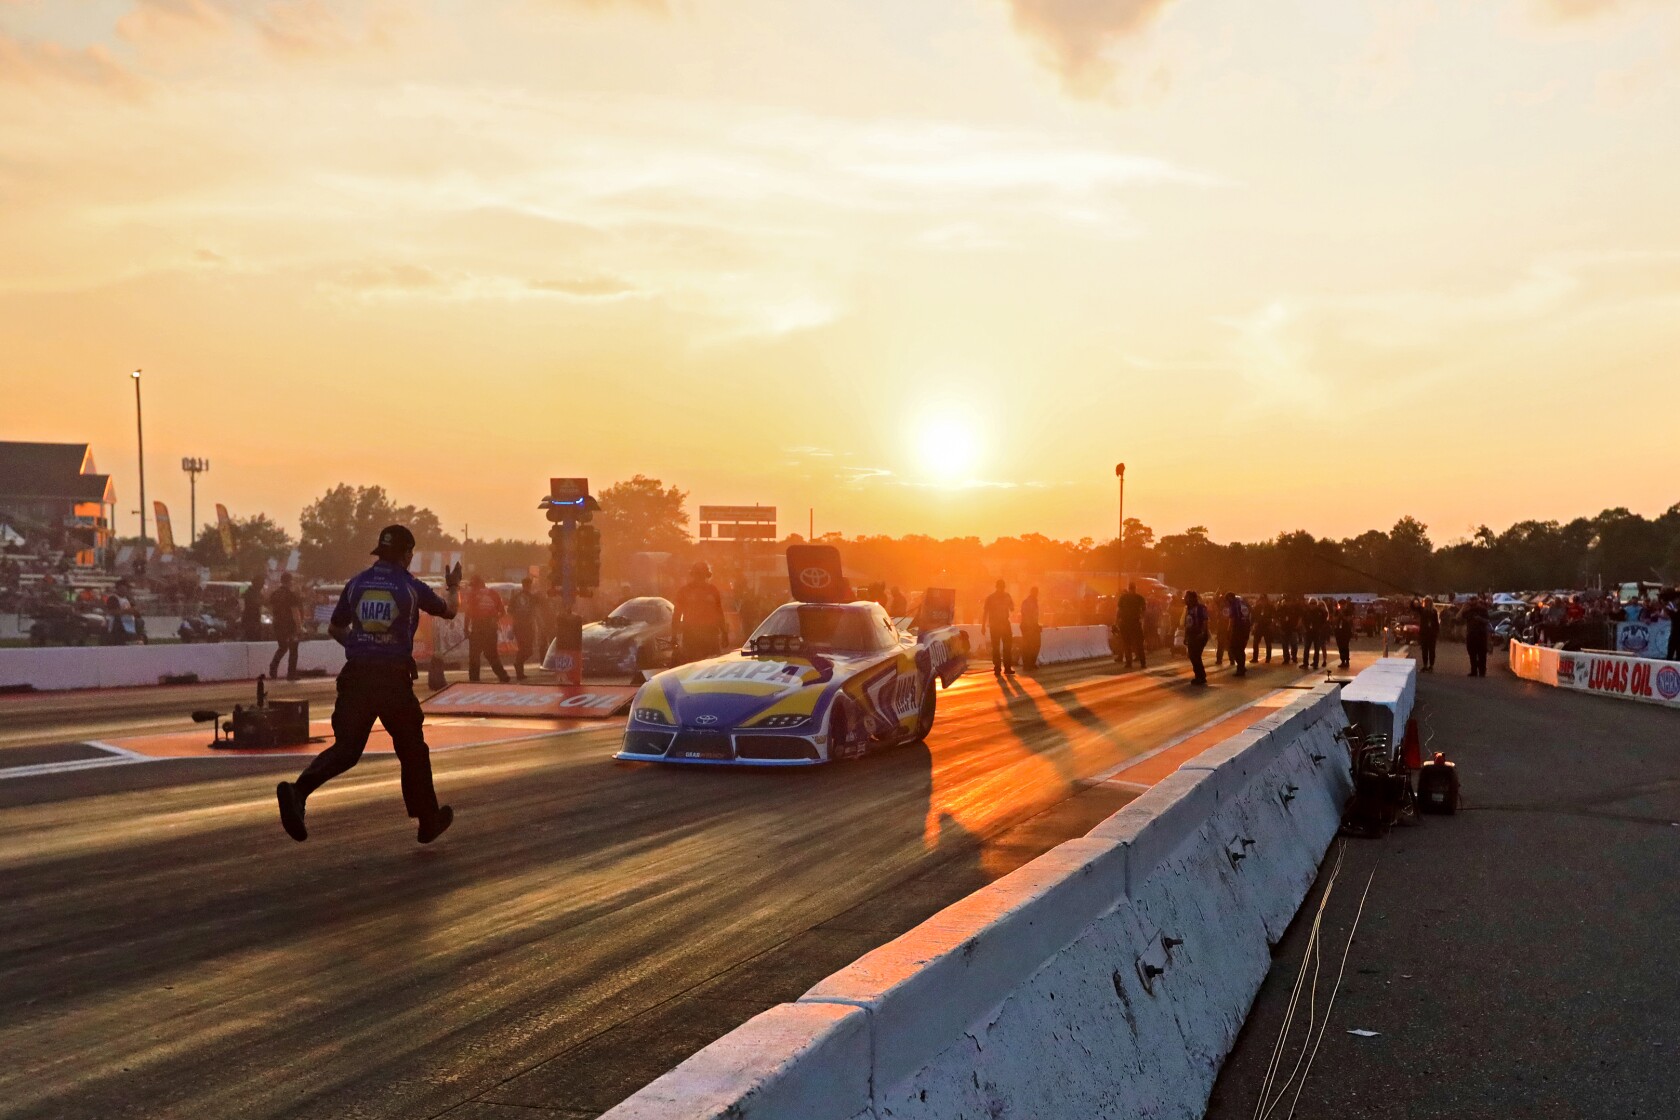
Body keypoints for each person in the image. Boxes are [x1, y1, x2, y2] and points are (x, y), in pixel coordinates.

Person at [276, 525, 460, 845]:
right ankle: (427, 820)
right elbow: (450, 610)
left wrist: (361, 647)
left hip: (356, 676)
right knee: (412, 749)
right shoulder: (410, 586)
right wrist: (453, 586)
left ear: (379, 552)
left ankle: (298, 791)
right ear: (405, 555)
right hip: (392, 681)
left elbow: (335, 627)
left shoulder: (356, 584)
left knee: (346, 750)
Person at [673, 561, 728, 663]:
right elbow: (677, 615)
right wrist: (674, 636)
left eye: (701, 575)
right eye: (698, 575)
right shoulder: (684, 591)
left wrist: (724, 633)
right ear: (694, 575)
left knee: (711, 667)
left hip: (710, 636)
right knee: (693, 668)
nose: (700, 578)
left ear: (706, 576)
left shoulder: (713, 590)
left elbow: (719, 613)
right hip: (692, 638)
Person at [464, 575, 511, 683]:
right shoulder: (494, 594)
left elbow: (468, 614)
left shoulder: (473, 595)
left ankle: (474, 679)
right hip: (491, 629)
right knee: (492, 654)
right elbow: (502, 612)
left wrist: (466, 630)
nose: (472, 588)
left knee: (474, 656)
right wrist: (494, 619)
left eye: (473, 586)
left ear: (477, 585)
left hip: (478, 629)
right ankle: (503, 676)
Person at [268, 572, 303, 680]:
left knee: (282, 647)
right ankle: (291, 674)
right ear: (290, 581)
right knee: (293, 649)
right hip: (290, 626)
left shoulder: (275, 594)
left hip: (277, 624)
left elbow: (270, 609)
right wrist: (299, 627)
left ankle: (273, 667)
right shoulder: (291, 595)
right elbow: (295, 612)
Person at [508, 576, 540, 682]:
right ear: (528, 585)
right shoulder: (531, 597)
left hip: (519, 625)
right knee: (527, 649)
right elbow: (536, 610)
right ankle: (519, 668)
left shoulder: (516, 597)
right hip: (526, 626)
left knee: (525, 649)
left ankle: (519, 667)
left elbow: (510, 611)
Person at [982, 579, 1015, 675]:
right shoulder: (991, 598)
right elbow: (985, 612)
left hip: (1002, 624)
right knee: (996, 647)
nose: (1002, 589)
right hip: (996, 625)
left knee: (1006, 647)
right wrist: (983, 625)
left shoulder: (1005, 596)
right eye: (1001, 587)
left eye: (1002, 587)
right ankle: (998, 667)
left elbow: (1012, 608)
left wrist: (1010, 604)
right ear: (997, 587)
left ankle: (1005, 667)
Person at [1115, 581, 1148, 669]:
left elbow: (1119, 611)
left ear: (1129, 588)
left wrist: (1116, 622)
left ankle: (1128, 663)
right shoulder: (1139, 597)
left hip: (1125, 623)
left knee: (1126, 644)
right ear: (1135, 588)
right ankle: (1143, 663)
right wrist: (1140, 616)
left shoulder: (1123, 597)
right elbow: (1144, 609)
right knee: (1139, 644)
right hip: (1136, 623)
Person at [1183, 590, 1210, 685]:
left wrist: (1203, 632)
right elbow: (1187, 623)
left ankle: (1201, 676)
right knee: (1192, 656)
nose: (1185, 599)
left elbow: (1205, 621)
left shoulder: (1201, 608)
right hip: (1191, 635)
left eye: (1187, 597)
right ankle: (1199, 675)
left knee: (1196, 656)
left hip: (1199, 635)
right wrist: (1185, 636)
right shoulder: (1188, 609)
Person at [1463, 595, 1491, 677]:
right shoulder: (1468, 610)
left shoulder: (1483, 610)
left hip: (1481, 635)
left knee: (1482, 654)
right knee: (1472, 654)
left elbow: (1487, 620)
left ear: (1477, 601)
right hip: (1471, 634)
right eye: (1471, 600)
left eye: (1474, 600)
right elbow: (1461, 616)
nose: (1472, 602)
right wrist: (1465, 607)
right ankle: (1474, 670)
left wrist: (1480, 619)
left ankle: (1482, 671)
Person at [1225, 592, 1251, 677]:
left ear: (1230, 598)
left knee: (1233, 648)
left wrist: (1229, 630)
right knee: (1241, 648)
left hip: (1238, 628)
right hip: (1246, 627)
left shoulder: (1234, 605)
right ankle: (1242, 666)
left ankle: (1241, 667)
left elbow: (1232, 619)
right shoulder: (1243, 602)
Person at [1414, 597, 1440, 672]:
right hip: (1424, 633)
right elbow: (1415, 607)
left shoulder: (1434, 611)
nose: (1427, 603)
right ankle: (1425, 665)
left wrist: (1436, 632)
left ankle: (1431, 665)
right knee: (1424, 650)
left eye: (1428, 601)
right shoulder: (1422, 610)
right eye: (1426, 601)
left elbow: (1436, 623)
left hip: (1432, 634)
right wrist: (1416, 599)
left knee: (1431, 650)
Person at [1019, 586, 1042, 670]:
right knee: (1027, 646)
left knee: (1036, 645)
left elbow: (1035, 616)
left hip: (1033, 626)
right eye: (1035, 592)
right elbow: (1026, 615)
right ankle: (1026, 664)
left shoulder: (1035, 602)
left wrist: (1036, 625)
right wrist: (1031, 626)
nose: (1036, 594)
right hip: (1027, 626)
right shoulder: (1027, 602)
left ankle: (1031, 663)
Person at [241, 575, 266, 643]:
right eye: (262, 583)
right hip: (251, 622)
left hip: (255, 621)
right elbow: (257, 603)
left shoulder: (256, 593)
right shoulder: (250, 593)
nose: (262, 585)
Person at [1251, 593, 1274, 665]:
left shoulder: (1270, 607)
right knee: (1255, 643)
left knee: (1268, 643)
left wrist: (1271, 624)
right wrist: (1253, 624)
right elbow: (1253, 616)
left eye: (1264, 600)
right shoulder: (1257, 607)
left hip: (1267, 626)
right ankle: (1255, 658)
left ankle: (1268, 658)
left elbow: (1273, 616)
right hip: (1259, 626)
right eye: (1261, 600)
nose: (1263, 601)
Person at [1333, 597, 1356, 669]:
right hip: (1338, 631)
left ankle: (1347, 660)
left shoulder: (1348, 611)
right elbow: (1334, 620)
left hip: (1346, 630)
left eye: (1343, 604)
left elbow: (1348, 620)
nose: (1342, 606)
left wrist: (1342, 614)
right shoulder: (1337, 611)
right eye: (1340, 604)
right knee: (1340, 646)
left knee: (1345, 646)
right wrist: (1337, 614)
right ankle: (1342, 660)